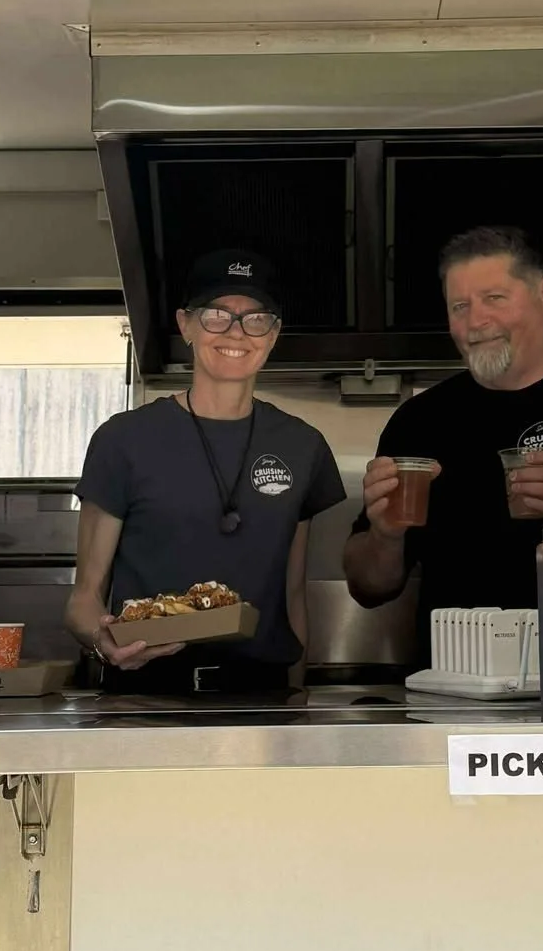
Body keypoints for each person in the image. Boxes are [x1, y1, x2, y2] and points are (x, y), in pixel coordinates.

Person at [344, 224, 543, 644]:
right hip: (456, 684)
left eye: (494, 299)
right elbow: (369, 588)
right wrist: (385, 535)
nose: (475, 321)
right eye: (459, 306)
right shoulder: (419, 421)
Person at [69, 247, 345, 694]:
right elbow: (84, 598)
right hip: (145, 698)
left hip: (266, 698)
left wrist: (300, 697)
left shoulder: (301, 445)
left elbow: (293, 596)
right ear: (186, 325)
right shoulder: (124, 440)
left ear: (273, 334)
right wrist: (102, 644)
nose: (236, 331)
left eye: (256, 319)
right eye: (217, 315)